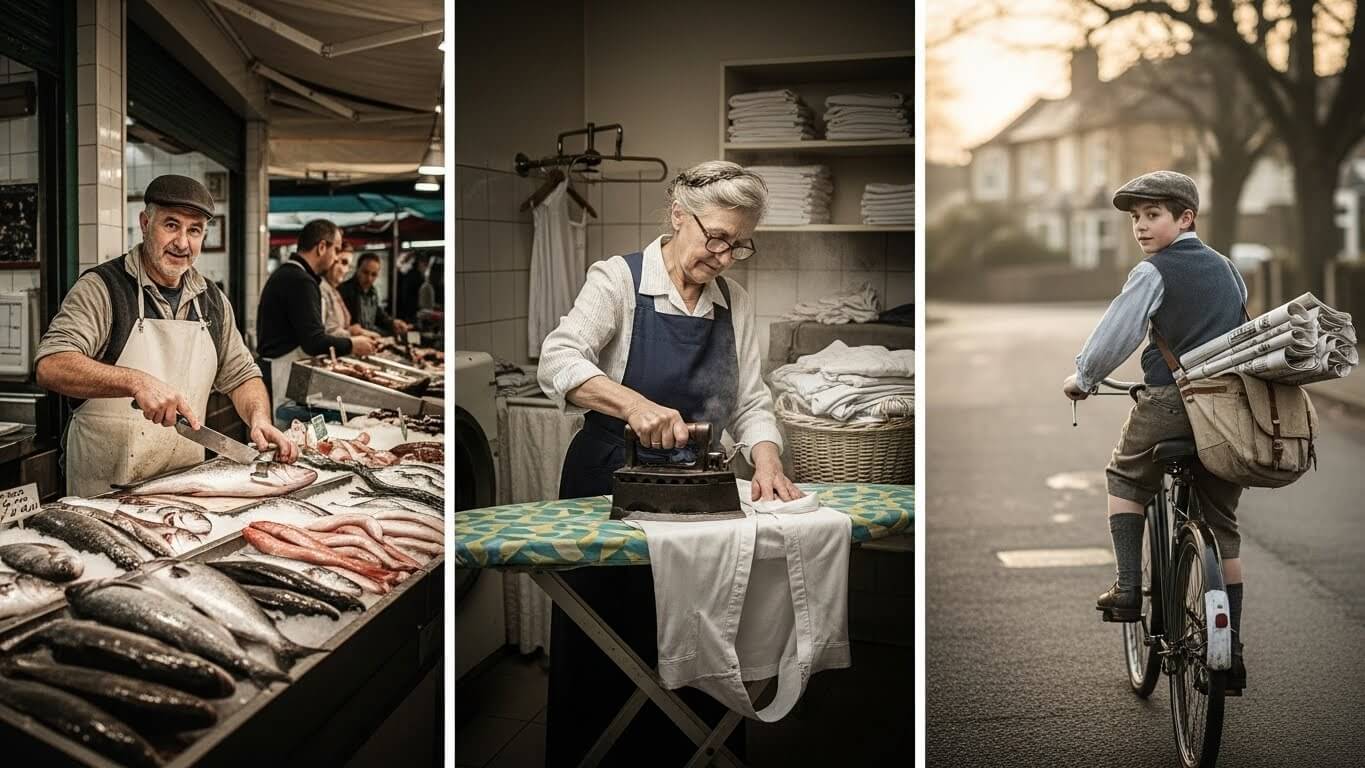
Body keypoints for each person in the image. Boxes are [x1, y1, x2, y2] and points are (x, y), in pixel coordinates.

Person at [536, 160, 801, 766]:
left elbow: (751, 400)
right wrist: (633, 404)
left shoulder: (734, 302)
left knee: (700, 630)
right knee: (610, 633)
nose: (726, 257)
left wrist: (766, 459)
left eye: (740, 245)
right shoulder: (618, 280)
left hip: (702, 486)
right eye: (717, 238)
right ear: (679, 215)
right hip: (610, 480)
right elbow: (558, 359)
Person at [1061, 170, 1248, 694]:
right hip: (1227, 411)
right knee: (1223, 528)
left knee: (1124, 477)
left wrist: (1084, 378)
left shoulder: (1153, 271)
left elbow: (1116, 332)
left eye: (1153, 215)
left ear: (1185, 218)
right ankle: (1231, 652)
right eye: (1136, 218)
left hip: (1170, 404)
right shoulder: (1229, 270)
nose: (1141, 227)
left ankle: (1127, 588)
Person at [35, 174, 298, 497]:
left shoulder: (212, 300)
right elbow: (52, 365)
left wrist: (259, 419)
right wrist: (135, 381)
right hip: (105, 494)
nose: (182, 243)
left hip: (185, 491)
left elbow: (242, 375)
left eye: (194, 230)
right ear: (145, 223)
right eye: (171, 225)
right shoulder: (102, 289)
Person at [257, 220, 377, 420]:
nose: (336, 257)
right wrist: (352, 344)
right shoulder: (300, 280)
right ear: (321, 247)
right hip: (281, 374)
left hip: (284, 370)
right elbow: (313, 341)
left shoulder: (291, 274)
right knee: (281, 434)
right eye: (336, 250)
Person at [339, 252, 410, 338]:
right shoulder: (344, 290)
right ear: (357, 269)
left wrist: (393, 323)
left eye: (374, 274)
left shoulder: (373, 292)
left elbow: (378, 314)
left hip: (369, 339)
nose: (369, 279)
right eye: (365, 272)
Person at [395, 250, 431, 323]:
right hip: (411, 314)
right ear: (420, 263)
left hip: (404, 313)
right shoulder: (417, 278)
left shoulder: (407, 275)